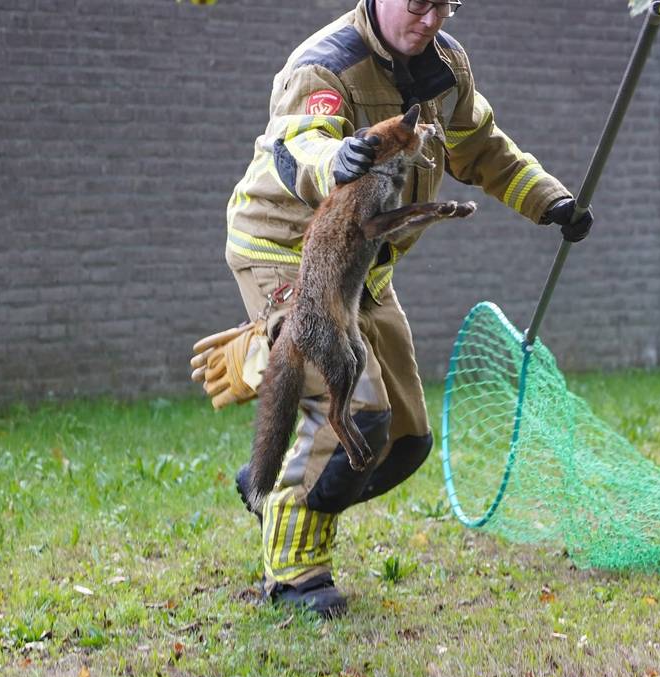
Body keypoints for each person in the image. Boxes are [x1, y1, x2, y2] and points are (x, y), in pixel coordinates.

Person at [221, 0, 593, 618]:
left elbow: (483, 148)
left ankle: (284, 453)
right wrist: (333, 161)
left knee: (404, 440)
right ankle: (294, 571)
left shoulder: (445, 67)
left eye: (445, 4)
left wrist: (550, 201)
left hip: (368, 260)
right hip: (288, 249)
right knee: (357, 414)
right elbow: (297, 144)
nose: (432, 18)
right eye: (419, 3)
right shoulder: (325, 64)